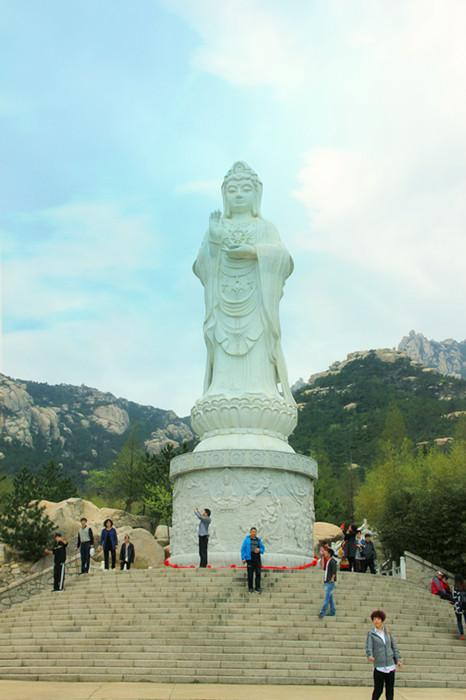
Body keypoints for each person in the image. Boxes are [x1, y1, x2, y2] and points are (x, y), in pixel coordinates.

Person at [366, 609, 402, 700]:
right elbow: (369, 646)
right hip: (379, 666)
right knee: (378, 690)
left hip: (390, 666)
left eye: (378, 618)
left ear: (382, 620)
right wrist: (370, 655)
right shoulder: (371, 634)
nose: (376, 621)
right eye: (374, 619)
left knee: (390, 691)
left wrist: (398, 660)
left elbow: (394, 647)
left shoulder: (388, 632)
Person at [241, 527, 265, 593]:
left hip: (257, 558)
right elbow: (243, 549)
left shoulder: (258, 540)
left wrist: (259, 550)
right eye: (252, 532)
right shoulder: (246, 540)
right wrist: (243, 558)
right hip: (250, 558)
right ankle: (250, 588)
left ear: (256, 533)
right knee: (250, 574)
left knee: (258, 573)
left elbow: (263, 548)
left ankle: (257, 588)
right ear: (250, 532)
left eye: (255, 532)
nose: (253, 533)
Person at [319, 547, 337, 617]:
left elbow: (334, 571)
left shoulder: (332, 561)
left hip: (330, 582)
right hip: (327, 582)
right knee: (330, 598)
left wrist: (332, 579)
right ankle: (332, 611)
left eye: (326, 552)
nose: (324, 553)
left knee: (327, 598)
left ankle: (322, 612)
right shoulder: (328, 561)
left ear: (329, 554)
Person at [452, 574, 466, 640]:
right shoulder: (465, 586)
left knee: (459, 620)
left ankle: (462, 635)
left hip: (458, 606)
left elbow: (454, 597)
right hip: (465, 606)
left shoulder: (455, 587)